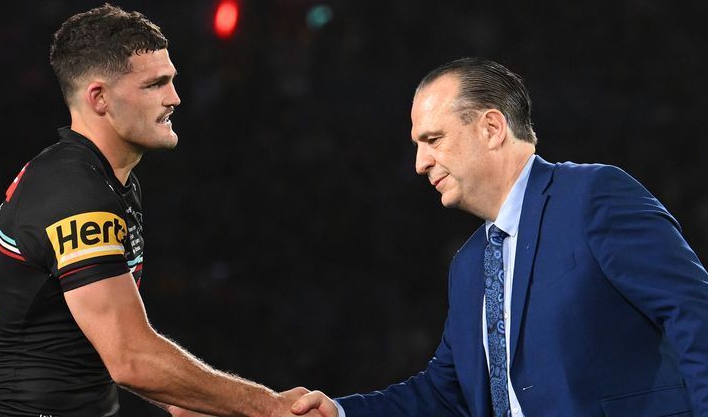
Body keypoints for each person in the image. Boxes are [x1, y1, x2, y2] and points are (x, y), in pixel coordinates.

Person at [290, 57, 708, 416]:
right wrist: (340, 411)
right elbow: (445, 392)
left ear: (492, 128)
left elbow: (694, 313)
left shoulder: (593, 196)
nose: (420, 163)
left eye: (433, 139)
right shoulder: (469, 264)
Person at [0, 4, 317, 417]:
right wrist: (266, 406)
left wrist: (197, 405)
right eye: (155, 85)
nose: (174, 98)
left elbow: (108, 343)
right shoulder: (74, 192)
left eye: (171, 81)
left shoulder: (109, 182)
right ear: (99, 98)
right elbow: (130, 358)